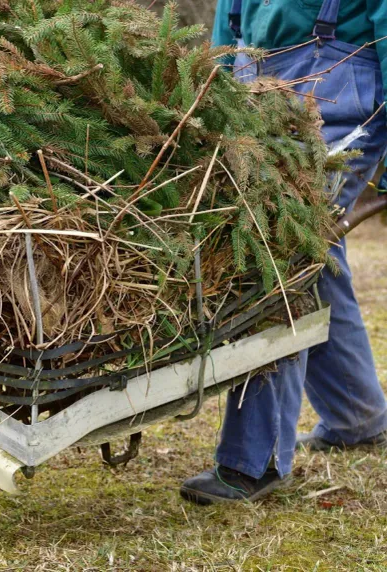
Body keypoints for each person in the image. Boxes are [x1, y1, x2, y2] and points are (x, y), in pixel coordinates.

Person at [180, 0, 387, 505]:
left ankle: (254, 459)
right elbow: (226, 34)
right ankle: (357, 418)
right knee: (315, 264)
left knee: (278, 254)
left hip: (338, 98)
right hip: (253, 96)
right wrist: (209, 109)